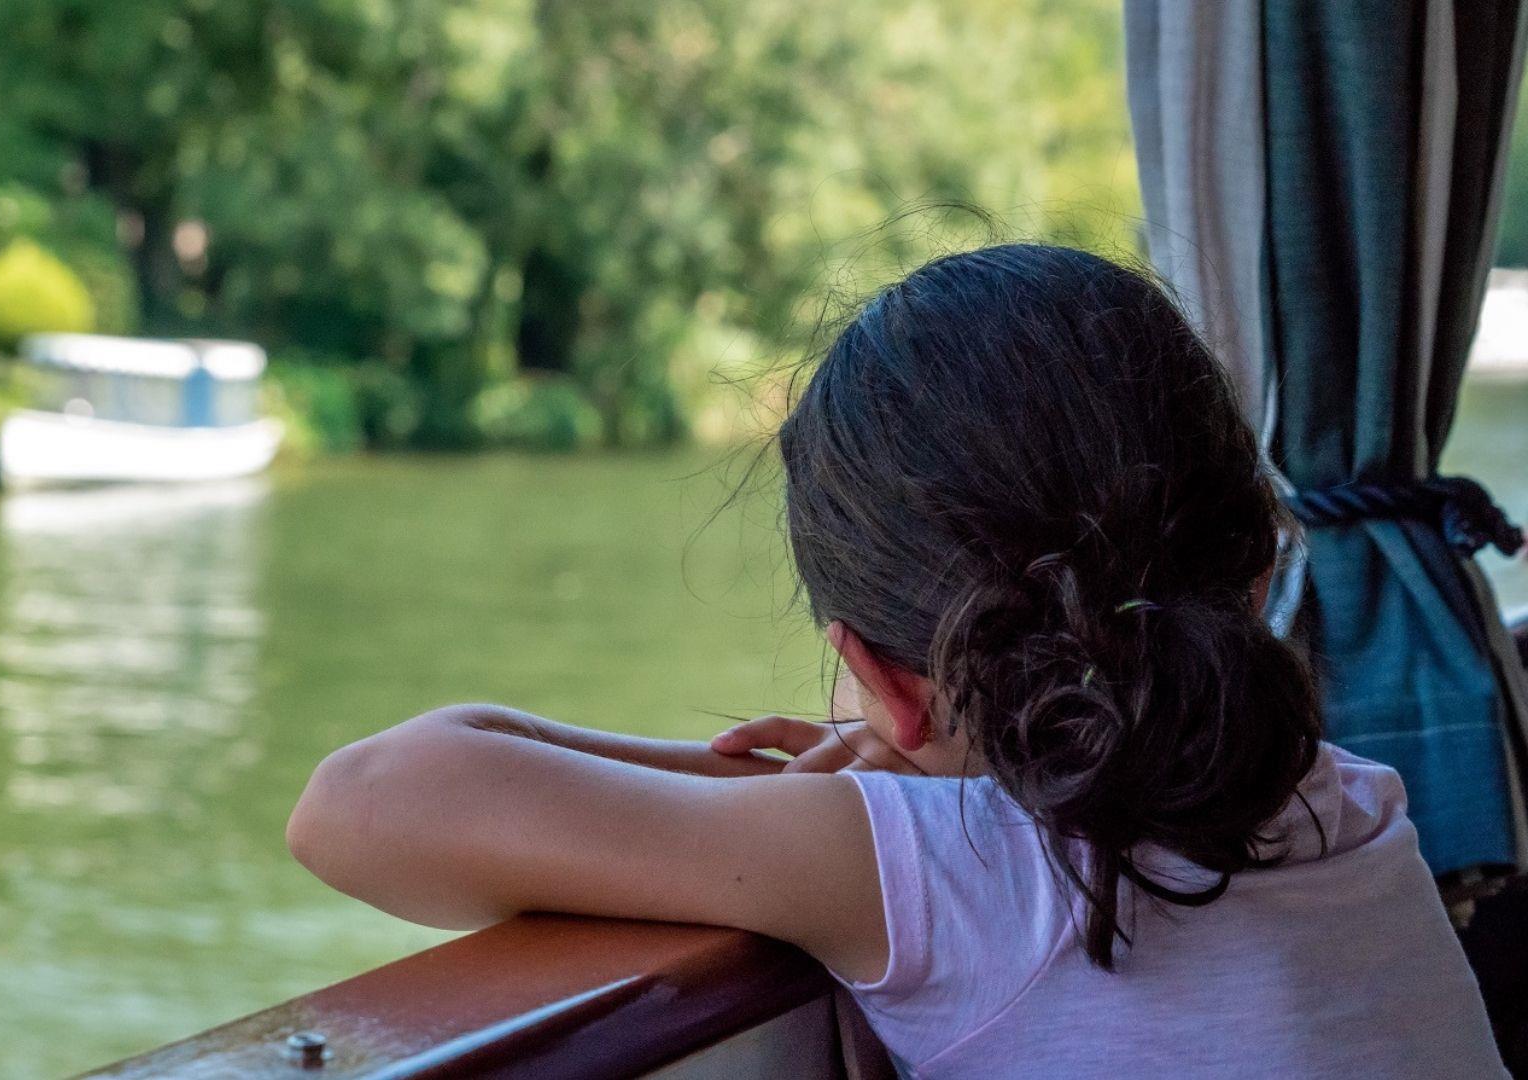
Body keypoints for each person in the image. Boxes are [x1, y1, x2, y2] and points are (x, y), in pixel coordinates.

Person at [285, 244, 1506, 1077]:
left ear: (877, 676)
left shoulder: (958, 868)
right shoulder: (1353, 807)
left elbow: (360, 804)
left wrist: (832, 794)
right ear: (1259, 570)